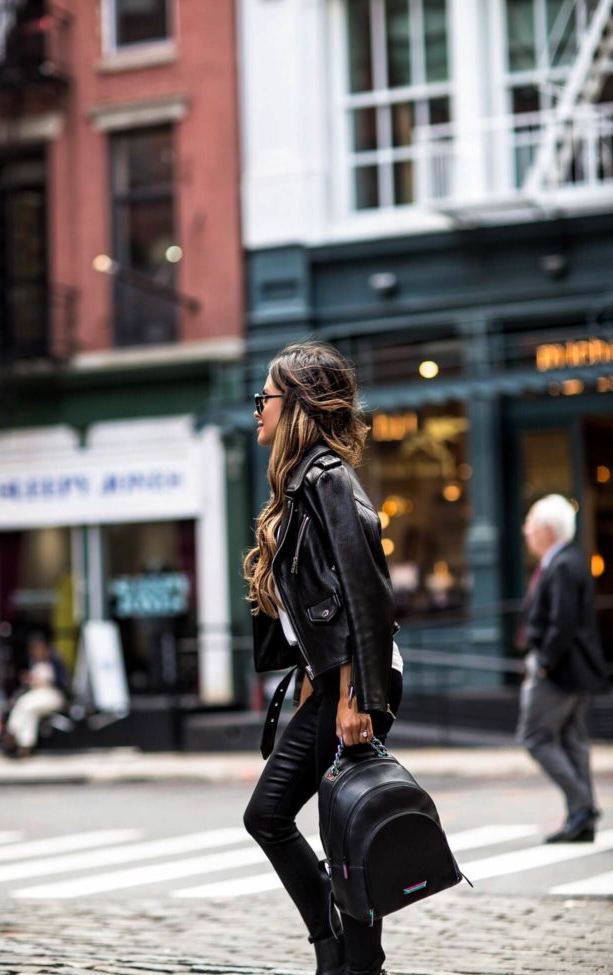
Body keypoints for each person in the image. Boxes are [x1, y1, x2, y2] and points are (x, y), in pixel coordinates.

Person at [243, 342, 403, 975]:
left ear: (298, 406)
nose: (256, 409)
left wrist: (356, 697)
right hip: (330, 683)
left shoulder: (327, 478)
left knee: (281, 817)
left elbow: (366, 593)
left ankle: (343, 956)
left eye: (265, 398)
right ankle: (351, 959)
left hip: (354, 686)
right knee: (337, 830)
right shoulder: (300, 483)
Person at [516, 494, 609, 843]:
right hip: (571, 671)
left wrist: (544, 664)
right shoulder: (566, 561)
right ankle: (580, 820)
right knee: (571, 742)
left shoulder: (564, 564)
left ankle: (583, 806)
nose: (526, 532)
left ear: (547, 530)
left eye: (530, 525)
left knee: (535, 737)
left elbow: (562, 622)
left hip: (559, 673)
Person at [2, 632, 69, 758]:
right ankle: (25, 745)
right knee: (29, 711)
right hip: (37, 695)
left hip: (53, 695)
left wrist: (43, 681)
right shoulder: (34, 662)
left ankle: (12, 732)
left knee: (26, 704)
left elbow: (62, 683)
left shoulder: (54, 661)